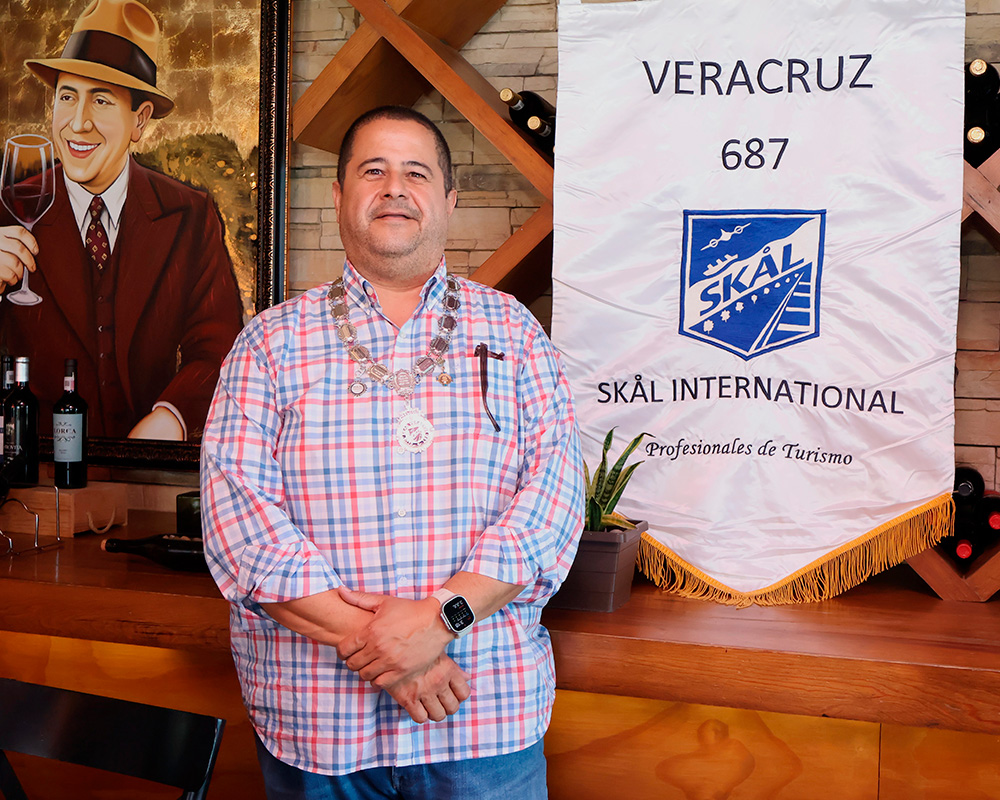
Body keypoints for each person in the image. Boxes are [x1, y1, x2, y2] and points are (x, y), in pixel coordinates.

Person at [201, 105, 585, 799]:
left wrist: (441, 619)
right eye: (373, 170)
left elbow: (551, 510)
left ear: (449, 199)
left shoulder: (516, 333)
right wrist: (398, 650)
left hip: (484, 722)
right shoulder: (267, 344)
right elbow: (243, 533)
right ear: (339, 194)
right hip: (319, 724)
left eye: (417, 172)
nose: (395, 188)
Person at [0, 0, 243, 440]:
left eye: (101, 100)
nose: (78, 123)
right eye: (67, 97)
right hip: (36, 471)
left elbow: (219, 348)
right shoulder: (7, 210)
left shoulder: (190, 214)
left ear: (140, 120)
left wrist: (169, 420)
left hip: (149, 469)